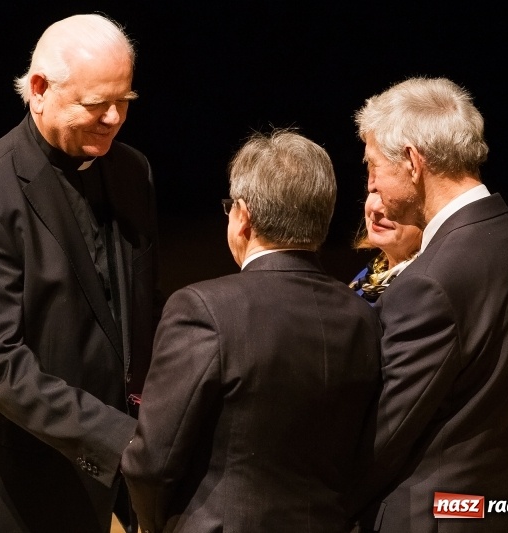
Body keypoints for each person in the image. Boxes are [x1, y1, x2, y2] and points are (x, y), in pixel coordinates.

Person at [0, 14, 161, 533]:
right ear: (40, 90)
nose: (114, 117)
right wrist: (121, 439)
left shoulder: (132, 171)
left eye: (125, 101)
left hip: (89, 474)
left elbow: (134, 315)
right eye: (96, 104)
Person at [121, 130, 383, 533]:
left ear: (242, 216)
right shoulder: (362, 317)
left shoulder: (203, 309)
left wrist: (155, 526)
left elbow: (153, 462)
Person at [350, 77, 508, 532]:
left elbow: (384, 438)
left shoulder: (430, 280)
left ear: (412, 162)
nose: (370, 184)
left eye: (373, 166)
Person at [349, 192, 422, 303]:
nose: (375, 208)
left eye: (396, 197)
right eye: (375, 191)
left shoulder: (425, 288)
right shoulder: (368, 276)